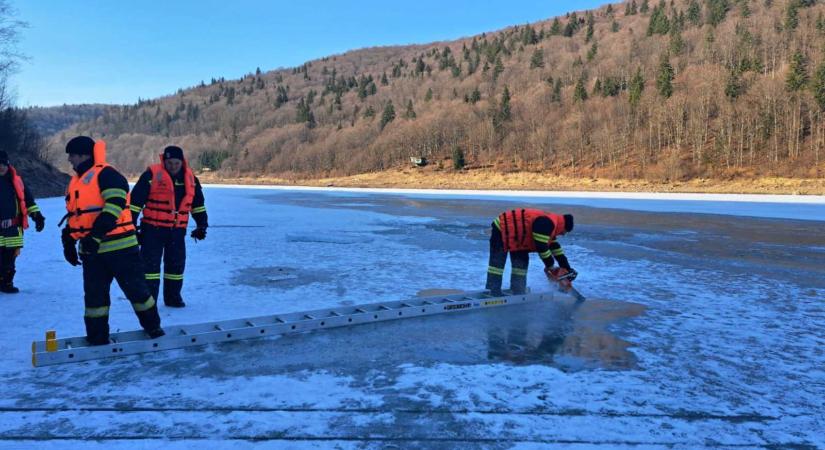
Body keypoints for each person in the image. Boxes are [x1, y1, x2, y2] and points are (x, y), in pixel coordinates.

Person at [60, 136, 164, 345]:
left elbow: (114, 205)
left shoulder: (107, 174)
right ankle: (97, 338)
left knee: (137, 292)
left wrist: (96, 236)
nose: (69, 159)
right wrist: (69, 241)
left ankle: (153, 329)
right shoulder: (77, 181)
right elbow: (78, 216)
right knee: (94, 299)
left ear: (84, 155)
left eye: (72, 155)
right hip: (92, 251)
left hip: (121, 248)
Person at [129, 145, 208, 308]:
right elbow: (135, 203)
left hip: (177, 231)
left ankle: (173, 298)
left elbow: (198, 205)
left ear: (182, 162)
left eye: (176, 163)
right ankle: (149, 302)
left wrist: (202, 225)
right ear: (164, 161)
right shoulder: (151, 175)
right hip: (152, 230)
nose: (173, 166)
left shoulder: (191, 178)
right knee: (150, 269)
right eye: (169, 163)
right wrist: (131, 226)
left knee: (176, 267)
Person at [486, 208, 576, 296]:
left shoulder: (552, 226)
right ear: (563, 226)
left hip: (519, 238)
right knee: (497, 265)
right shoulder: (547, 224)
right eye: (565, 232)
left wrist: (567, 269)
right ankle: (492, 291)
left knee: (520, 267)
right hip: (502, 228)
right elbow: (542, 247)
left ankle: (518, 290)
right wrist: (550, 266)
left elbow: (556, 250)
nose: (563, 234)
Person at [0, 151, 45, 293]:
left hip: (13, 228)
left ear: (7, 164)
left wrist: (37, 216)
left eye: (2, 164)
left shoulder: (17, 181)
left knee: (10, 257)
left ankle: (7, 283)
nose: (0, 167)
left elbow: (29, 201)